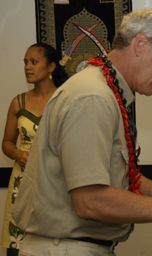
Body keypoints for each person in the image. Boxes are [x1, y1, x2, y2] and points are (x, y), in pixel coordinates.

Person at [12, 8, 152, 256]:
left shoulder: (107, 92)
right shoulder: (93, 97)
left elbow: (123, 174)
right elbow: (91, 200)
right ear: (141, 44)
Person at [1, 43, 68, 256]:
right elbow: (7, 143)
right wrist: (18, 153)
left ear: (51, 67)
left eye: (34, 62)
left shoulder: (64, 99)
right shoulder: (18, 102)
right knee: (18, 246)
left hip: (55, 181)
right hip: (22, 182)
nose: (27, 67)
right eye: (25, 62)